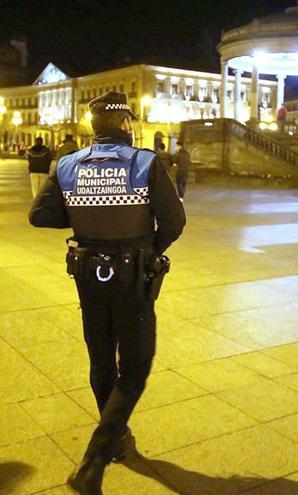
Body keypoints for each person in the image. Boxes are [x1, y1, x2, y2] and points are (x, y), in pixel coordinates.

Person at [29, 91, 185, 495]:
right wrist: (152, 249)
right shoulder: (146, 162)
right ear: (127, 124)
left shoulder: (67, 164)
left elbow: (39, 215)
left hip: (87, 272)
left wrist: (82, 214)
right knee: (135, 366)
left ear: (93, 127)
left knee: (101, 358)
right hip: (133, 275)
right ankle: (93, 461)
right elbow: (174, 220)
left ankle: (115, 438)